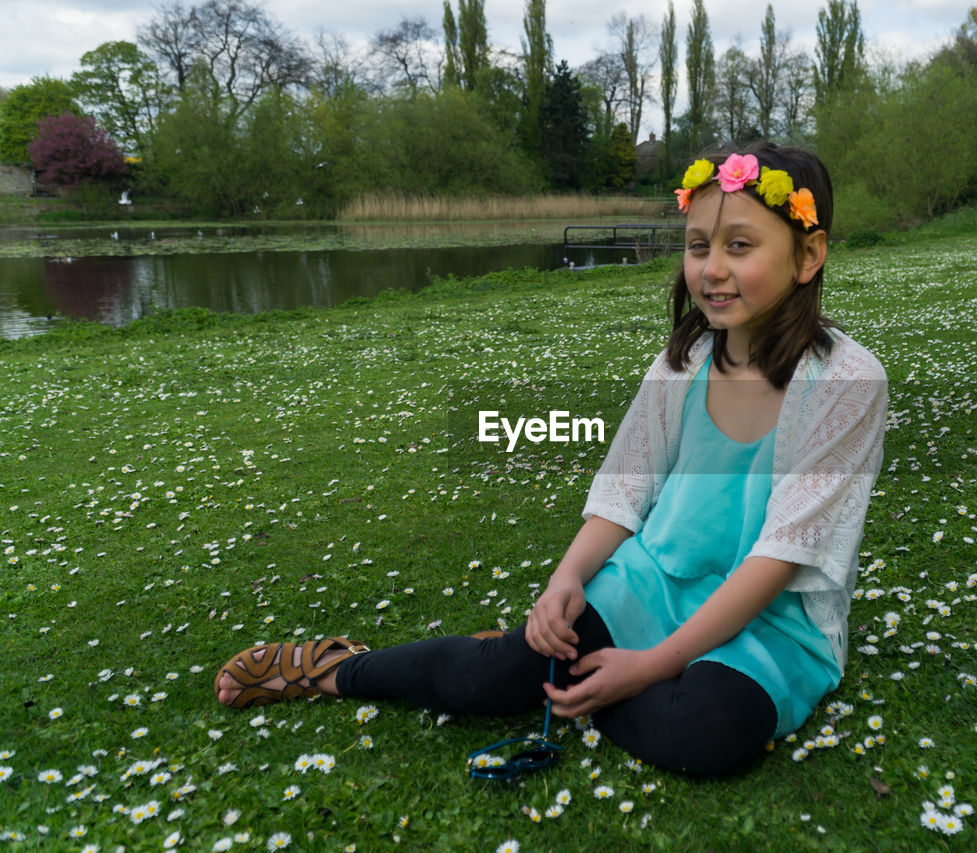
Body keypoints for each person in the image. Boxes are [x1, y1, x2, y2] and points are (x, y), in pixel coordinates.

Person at [215, 142, 888, 777]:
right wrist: (566, 578)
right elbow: (624, 491)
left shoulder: (847, 383)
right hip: (656, 582)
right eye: (697, 245)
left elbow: (780, 556)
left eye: (740, 246)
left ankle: (572, 678)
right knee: (500, 672)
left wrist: (653, 664)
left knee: (706, 730)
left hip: (770, 623)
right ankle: (335, 667)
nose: (711, 268)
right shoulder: (683, 363)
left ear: (808, 256)